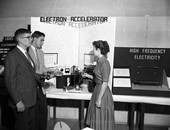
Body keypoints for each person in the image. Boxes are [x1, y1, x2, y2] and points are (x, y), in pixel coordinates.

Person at [4, 28, 38, 130]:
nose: (31, 39)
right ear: (20, 39)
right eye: (28, 37)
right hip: (21, 100)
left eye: (31, 37)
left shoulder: (26, 53)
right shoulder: (12, 55)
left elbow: (29, 74)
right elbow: (10, 81)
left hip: (31, 99)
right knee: (22, 127)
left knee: (30, 126)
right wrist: (18, 101)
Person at [28, 31, 61, 130]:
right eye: (41, 40)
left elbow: (42, 68)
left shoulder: (41, 52)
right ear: (34, 38)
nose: (43, 42)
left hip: (40, 85)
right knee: (34, 114)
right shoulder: (27, 52)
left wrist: (53, 71)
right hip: (31, 86)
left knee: (43, 111)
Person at [83, 40, 115, 130]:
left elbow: (105, 82)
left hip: (102, 94)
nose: (93, 51)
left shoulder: (105, 63)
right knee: (96, 116)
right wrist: (88, 75)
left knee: (100, 117)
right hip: (98, 90)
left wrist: (99, 99)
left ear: (98, 50)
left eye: (94, 49)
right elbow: (98, 79)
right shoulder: (99, 61)